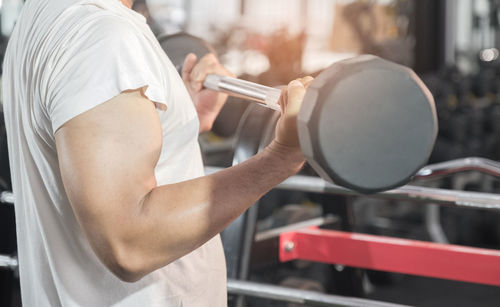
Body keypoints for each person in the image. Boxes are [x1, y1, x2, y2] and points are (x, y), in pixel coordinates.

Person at [2, 0, 312, 306]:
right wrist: (279, 159)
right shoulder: (101, 38)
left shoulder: (45, 14)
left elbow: (92, 145)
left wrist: (177, 119)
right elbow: (130, 242)